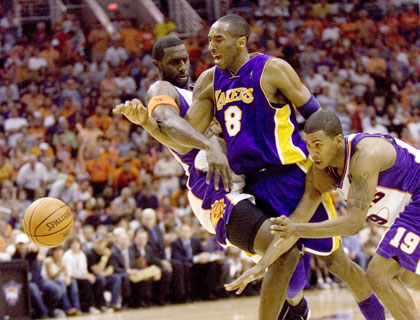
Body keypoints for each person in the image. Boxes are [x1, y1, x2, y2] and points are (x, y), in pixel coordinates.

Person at [114, 32, 382, 320]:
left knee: (325, 261)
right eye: (174, 63)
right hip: (214, 189)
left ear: (240, 41)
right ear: (157, 65)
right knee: (285, 254)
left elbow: (311, 114)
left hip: (264, 178)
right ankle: (293, 306)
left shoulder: (227, 79)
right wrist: (166, 130)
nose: (182, 68)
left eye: (184, 61)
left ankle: (298, 307)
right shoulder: (163, 88)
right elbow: (169, 125)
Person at [269, 109, 420, 320]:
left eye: (318, 145)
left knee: (379, 274)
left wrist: (297, 229)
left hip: (417, 199)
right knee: (409, 278)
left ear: (338, 140)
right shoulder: (323, 170)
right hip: (408, 210)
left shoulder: (365, 156)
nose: (313, 152)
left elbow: (353, 224)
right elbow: (301, 215)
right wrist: (263, 262)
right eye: (309, 145)